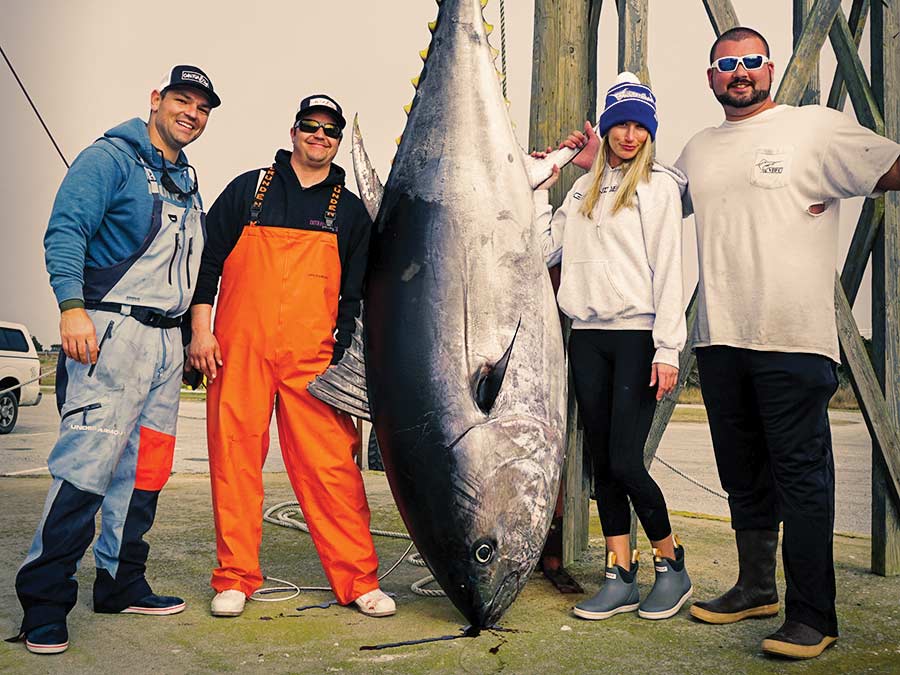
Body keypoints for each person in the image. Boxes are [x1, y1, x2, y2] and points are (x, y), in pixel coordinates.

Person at [572, 27, 900, 659]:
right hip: (720, 339)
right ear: (711, 77)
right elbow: (647, 200)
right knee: (743, 475)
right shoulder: (698, 150)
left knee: (802, 480)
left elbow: (887, 167)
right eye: (727, 65)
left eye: (750, 62)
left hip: (793, 340)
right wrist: (596, 165)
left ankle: (813, 615)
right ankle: (755, 587)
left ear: (770, 67)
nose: (740, 72)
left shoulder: (815, 128)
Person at [14, 65, 220, 655]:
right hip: (111, 333)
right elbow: (65, 231)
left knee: (146, 472)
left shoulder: (187, 178)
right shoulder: (108, 158)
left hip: (164, 345)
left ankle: (121, 582)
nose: (192, 114)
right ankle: (45, 605)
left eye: (202, 108)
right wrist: (71, 308)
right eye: (182, 101)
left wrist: (184, 340)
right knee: (86, 468)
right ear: (156, 100)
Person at [188, 94, 394, 619]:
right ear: (294, 130)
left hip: (312, 363)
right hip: (238, 353)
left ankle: (359, 580)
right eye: (310, 126)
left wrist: (340, 354)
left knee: (332, 470)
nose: (318, 136)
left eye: (329, 130)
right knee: (235, 464)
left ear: (338, 140)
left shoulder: (348, 210)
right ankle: (235, 577)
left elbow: (354, 295)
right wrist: (200, 332)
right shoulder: (247, 190)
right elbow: (207, 264)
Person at [534, 72, 691, 622]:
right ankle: (619, 573)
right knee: (603, 462)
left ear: (650, 131)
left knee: (627, 459)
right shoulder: (581, 189)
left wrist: (668, 348)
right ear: (606, 127)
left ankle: (671, 565)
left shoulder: (658, 188)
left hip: (636, 337)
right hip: (588, 338)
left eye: (639, 126)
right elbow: (544, 250)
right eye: (619, 124)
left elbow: (670, 268)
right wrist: (538, 183)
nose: (629, 135)